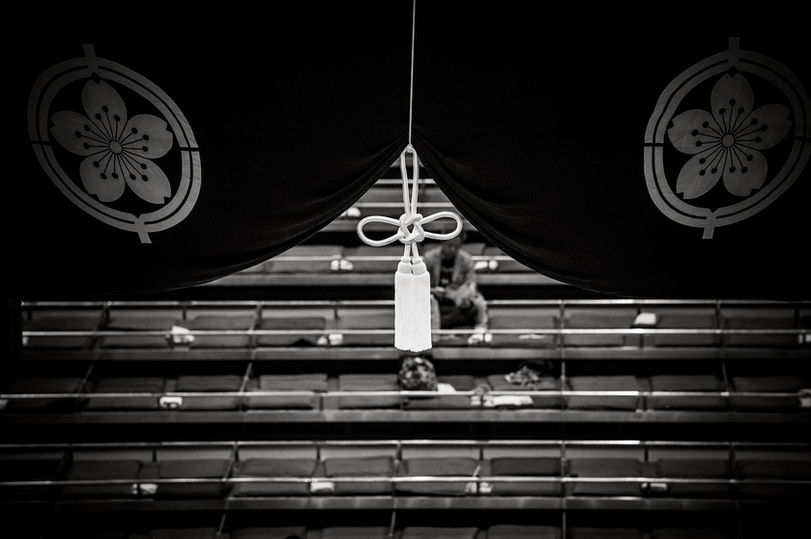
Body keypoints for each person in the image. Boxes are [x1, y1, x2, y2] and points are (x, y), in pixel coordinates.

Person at [422, 230, 488, 342]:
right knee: (430, 299)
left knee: (479, 301)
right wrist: (433, 290)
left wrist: (469, 294)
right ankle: (433, 337)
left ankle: (480, 331)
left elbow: (471, 281)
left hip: (456, 294)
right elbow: (420, 284)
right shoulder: (429, 258)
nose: (452, 249)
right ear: (442, 243)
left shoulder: (466, 259)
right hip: (434, 294)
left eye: (456, 247)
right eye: (449, 246)